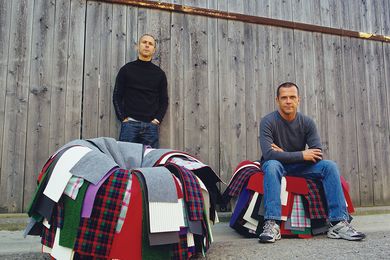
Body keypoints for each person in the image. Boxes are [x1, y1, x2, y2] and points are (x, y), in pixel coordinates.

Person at [258, 82, 365, 243]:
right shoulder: (268, 121)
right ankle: (272, 224)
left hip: (299, 167)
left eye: (292, 97)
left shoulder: (307, 122)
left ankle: (338, 223)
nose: (288, 101)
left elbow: (317, 154)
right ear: (277, 100)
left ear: (298, 100)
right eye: (284, 97)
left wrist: (285, 154)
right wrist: (301, 154)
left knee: (329, 166)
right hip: (277, 166)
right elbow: (268, 154)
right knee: (272, 165)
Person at [113, 34, 168, 148]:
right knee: (125, 160)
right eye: (144, 42)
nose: (147, 45)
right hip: (130, 125)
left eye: (150, 44)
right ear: (138, 46)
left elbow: (164, 100)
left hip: (151, 127)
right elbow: (117, 95)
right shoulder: (126, 70)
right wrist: (123, 118)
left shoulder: (159, 74)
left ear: (154, 50)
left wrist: (157, 120)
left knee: (150, 162)